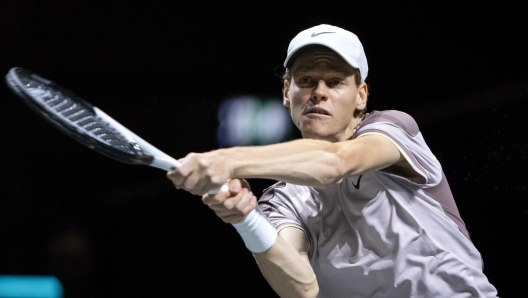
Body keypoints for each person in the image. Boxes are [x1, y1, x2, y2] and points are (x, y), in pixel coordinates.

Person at [168, 24, 498, 297]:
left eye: (336, 82)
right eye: (306, 80)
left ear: (361, 95)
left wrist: (227, 160)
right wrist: (246, 220)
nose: (319, 92)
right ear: (287, 91)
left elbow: (334, 164)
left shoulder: (393, 130)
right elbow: (301, 288)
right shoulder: (281, 199)